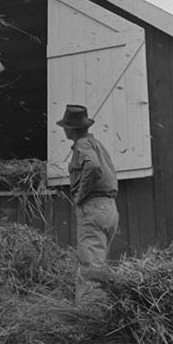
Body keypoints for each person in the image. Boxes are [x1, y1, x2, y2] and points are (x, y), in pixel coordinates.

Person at [56, 103, 119, 308]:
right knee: (99, 263)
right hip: (109, 208)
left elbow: (92, 166)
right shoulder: (97, 144)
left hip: (93, 207)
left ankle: (89, 314)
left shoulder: (82, 146)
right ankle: (101, 308)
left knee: (90, 265)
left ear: (70, 129)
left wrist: (80, 195)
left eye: (66, 127)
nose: (64, 130)